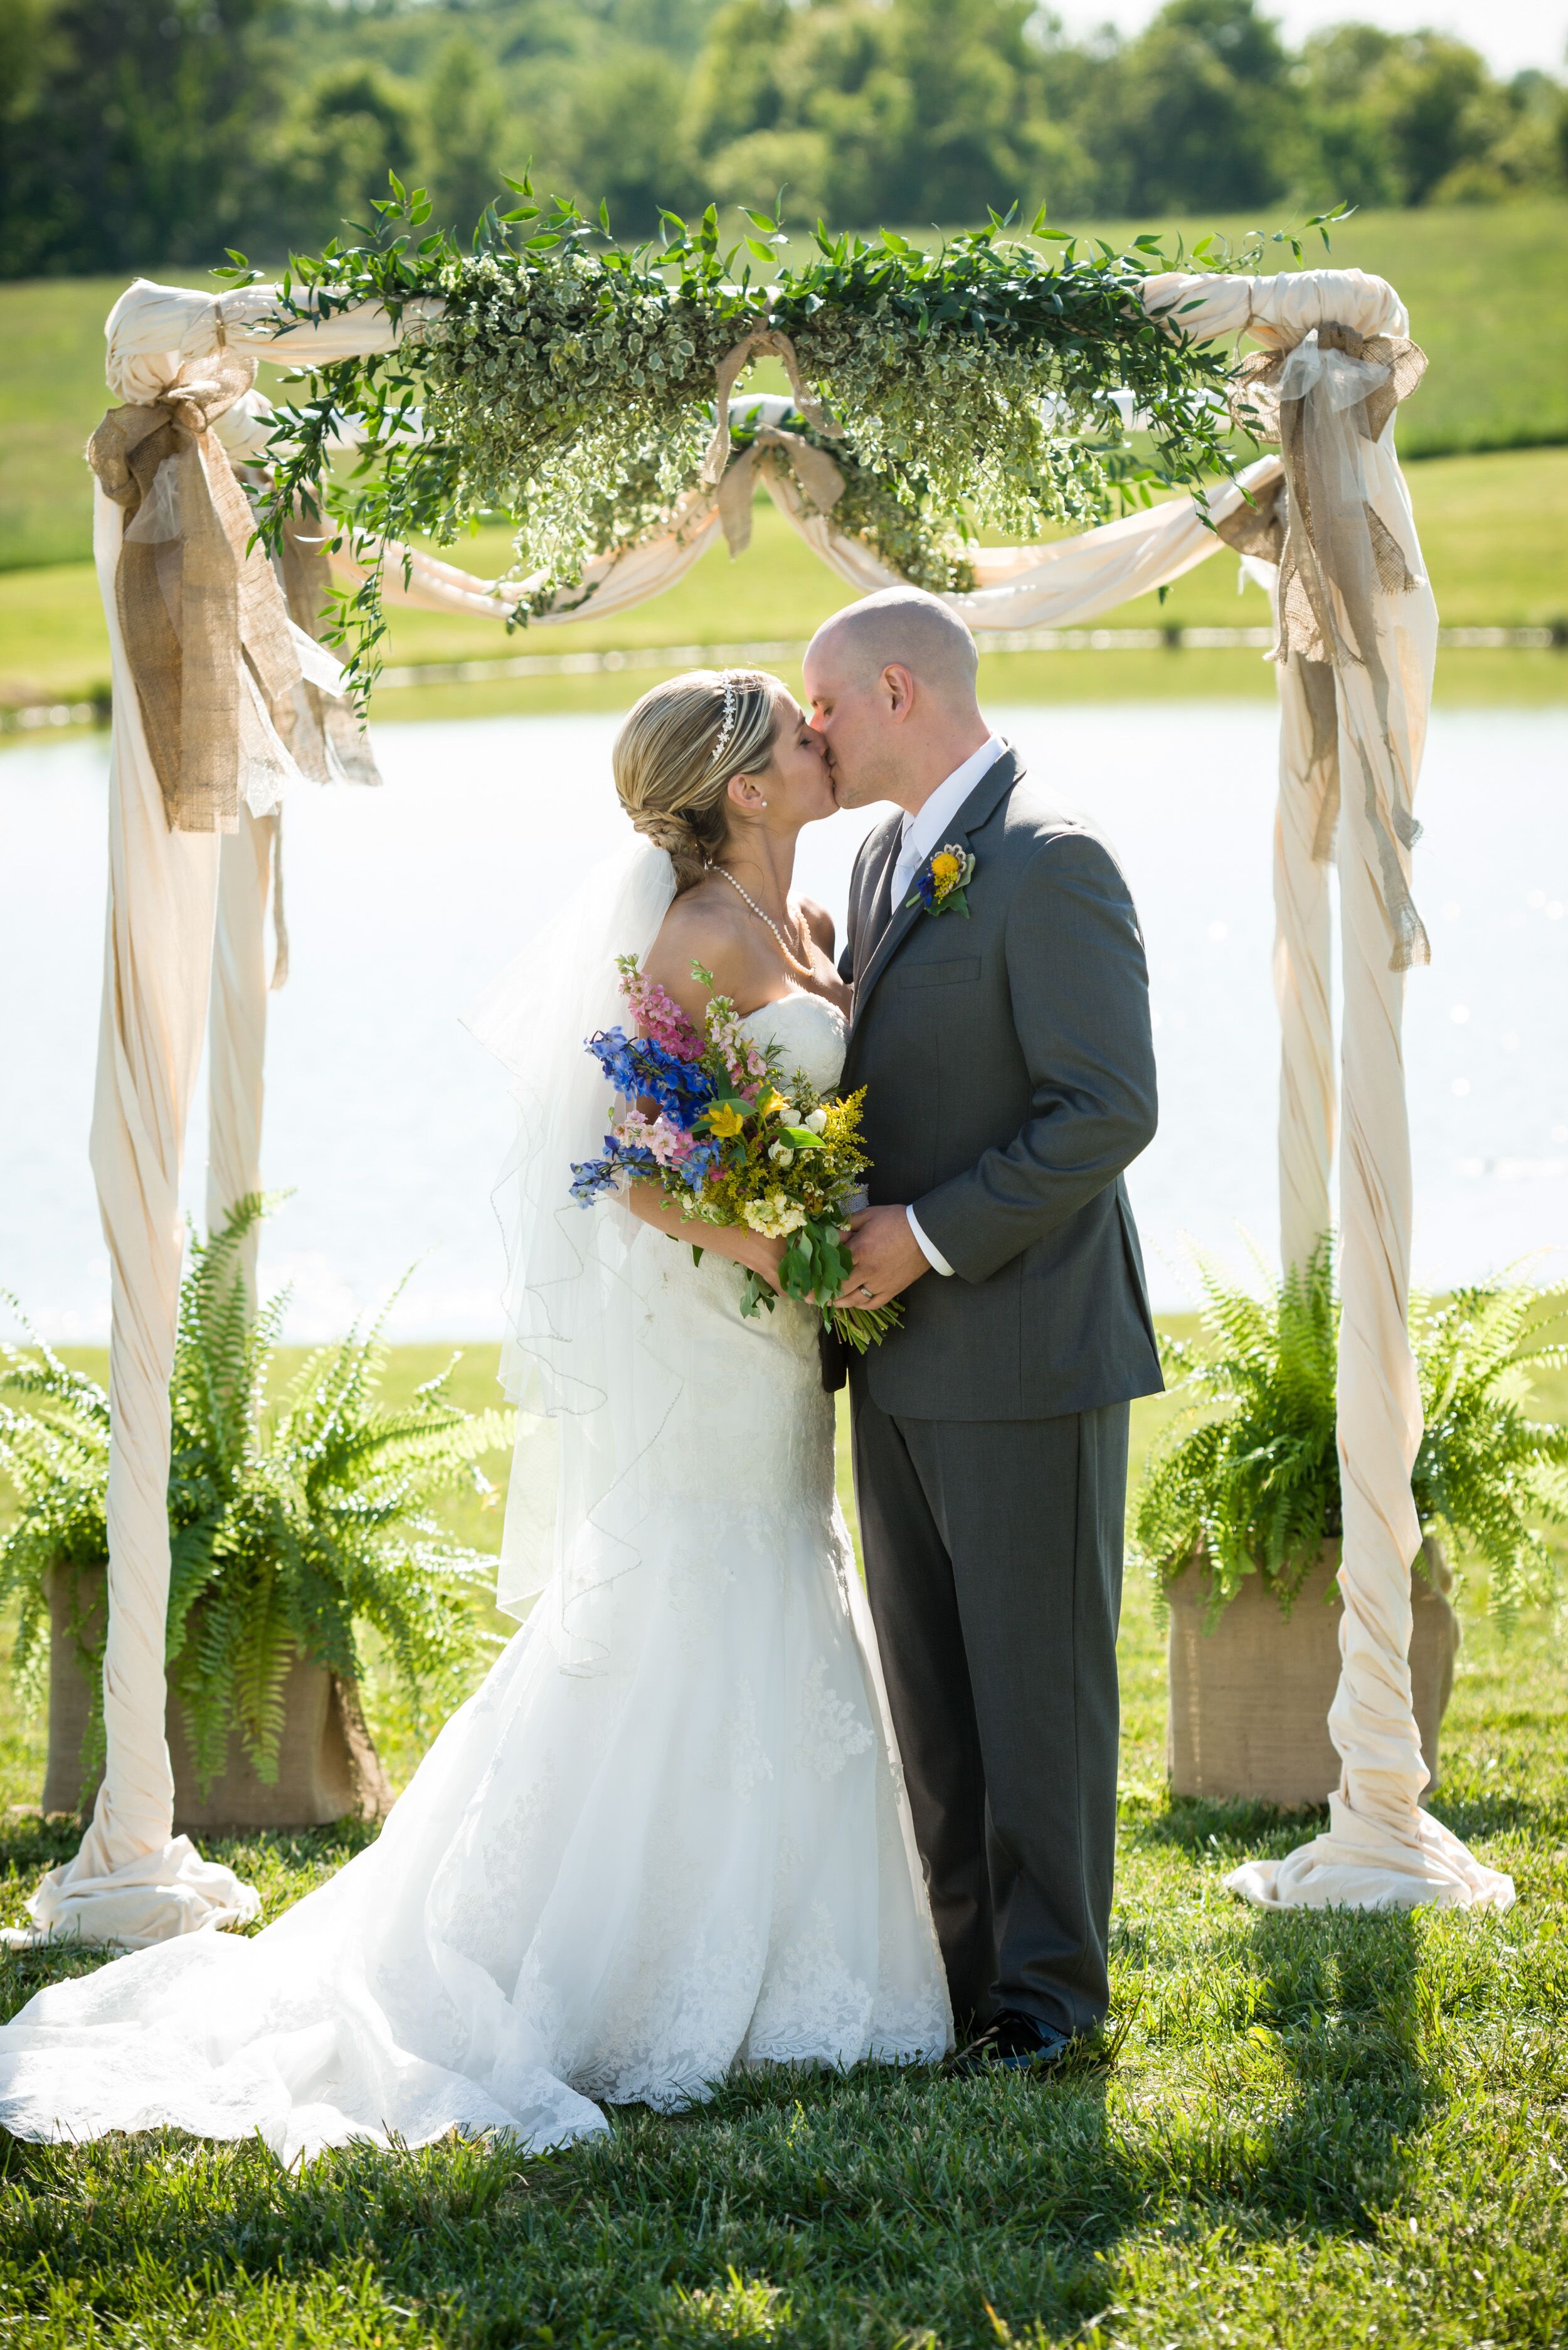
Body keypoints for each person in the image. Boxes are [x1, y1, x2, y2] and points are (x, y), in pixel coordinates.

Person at [0, 669, 950, 2164]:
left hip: (771, 1340)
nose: (820, 736)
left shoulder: (803, 923)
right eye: (791, 730)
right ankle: (604, 1951)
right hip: (715, 1324)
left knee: (776, 1573)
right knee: (690, 1593)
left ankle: (781, 1939)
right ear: (745, 791)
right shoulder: (698, 935)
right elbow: (636, 1167)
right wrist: (790, 1252)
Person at [805, 588, 1162, 2072]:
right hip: (893, 1369)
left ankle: (1048, 2000)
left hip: (1024, 1347)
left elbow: (1108, 1108)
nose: (807, 731)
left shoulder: (1050, 855)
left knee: (1035, 1691)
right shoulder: (887, 854)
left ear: (896, 690)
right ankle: (960, 1983)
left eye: (819, 705)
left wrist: (929, 1233)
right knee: (935, 1694)